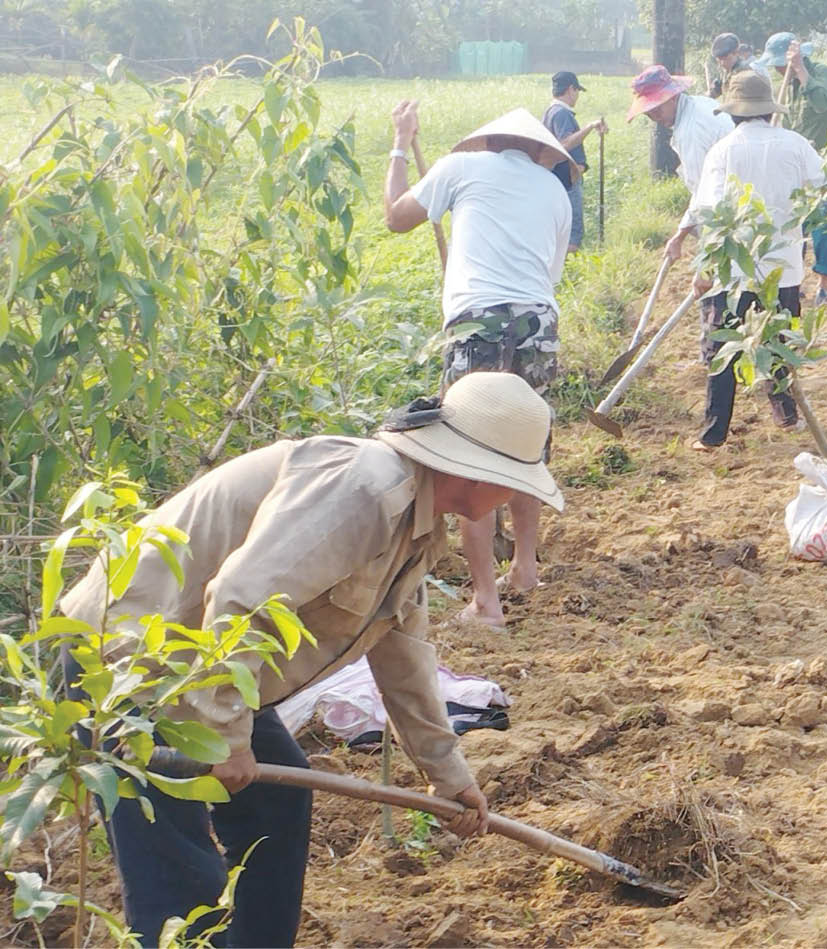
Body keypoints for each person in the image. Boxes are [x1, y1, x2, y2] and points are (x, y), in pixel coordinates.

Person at [59, 371, 564, 947]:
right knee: (178, 875)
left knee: (276, 802)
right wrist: (226, 735)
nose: (510, 497)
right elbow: (240, 597)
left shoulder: (415, 526)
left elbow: (403, 655)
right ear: (477, 475)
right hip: (130, 662)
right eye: (511, 484)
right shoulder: (365, 489)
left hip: (198, 666)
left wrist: (448, 776)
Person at [384, 104, 570, 628]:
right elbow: (546, 272)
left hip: (477, 321)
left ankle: (486, 601)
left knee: (471, 453)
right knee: (523, 447)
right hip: (537, 322)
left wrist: (400, 143)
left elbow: (397, 218)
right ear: (538, 150)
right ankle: (526, 568)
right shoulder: (554, 190)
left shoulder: (459, 167)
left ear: (488, 142)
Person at [687, 70, 827, 450]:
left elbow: (709, 213)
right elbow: (820, 188)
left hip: (734, 271)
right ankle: (787, 416)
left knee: (724, 348)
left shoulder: (724, 150)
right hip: (784, 268)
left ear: (733, 113)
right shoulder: (797, 145)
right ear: (768, 110)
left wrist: (704, 268)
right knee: (779, 341)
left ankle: (713, 434)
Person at [760, 31, 827, 304]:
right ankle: (794, 283)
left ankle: (824, 285)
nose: (775, 69)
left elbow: (820, 105)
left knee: (824, 226)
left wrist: (799, 70)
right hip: (796, 166)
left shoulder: (821, 74)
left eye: (778, 64)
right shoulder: (787, 85)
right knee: (796, 227)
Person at [626, 65, 734, 262]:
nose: (655, 117)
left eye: (658, 108)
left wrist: (680, 236)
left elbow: (703, 193)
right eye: (649, 113)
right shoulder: (700, 103)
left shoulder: (691, 132)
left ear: (673, 97)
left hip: (730, 204)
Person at [541, 71, 608, 252]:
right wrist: (590, 126)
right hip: (566, 180)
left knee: (561, 229)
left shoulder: (551, 112)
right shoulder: (562, 113)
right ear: (571, 89)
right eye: (577, 91)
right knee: (573, 232)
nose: (577, 96)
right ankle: (568, 273)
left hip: (558, 179)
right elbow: (566, 143)